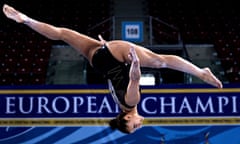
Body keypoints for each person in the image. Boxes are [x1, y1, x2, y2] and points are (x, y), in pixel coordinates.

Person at [2, 4, 223, 134]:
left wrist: (134, 63)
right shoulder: (118, 103)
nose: (139, 125)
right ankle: (26, 19)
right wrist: (110, 52)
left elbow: (135, 80)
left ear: (127, 119)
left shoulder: (131, 103)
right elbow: (117, 79)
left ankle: (201, 72)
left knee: (160, 61)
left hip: (115, 56)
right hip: (98, 60)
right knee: (62, 34)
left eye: (134, 127)